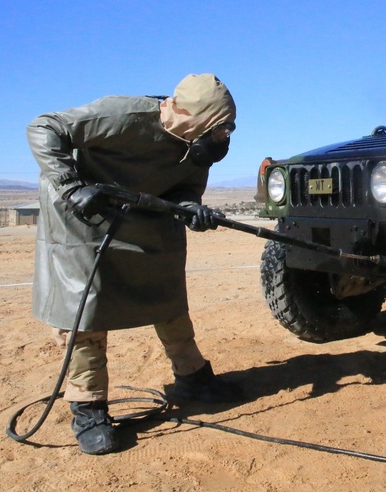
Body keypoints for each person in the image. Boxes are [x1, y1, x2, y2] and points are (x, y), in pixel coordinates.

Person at [26, 73, 243, 455]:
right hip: (84, 215)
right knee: (86, 305)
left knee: (168, 290)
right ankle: (88, 406)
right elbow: (45, 126)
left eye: (227, 129)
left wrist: (192, 208)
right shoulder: (122, 115)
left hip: (145, 210)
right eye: (218, 128)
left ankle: (193, 377)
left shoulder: (198, 143)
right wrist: (71, 186)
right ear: (187, 114)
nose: (222, 137)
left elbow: (187, 186)